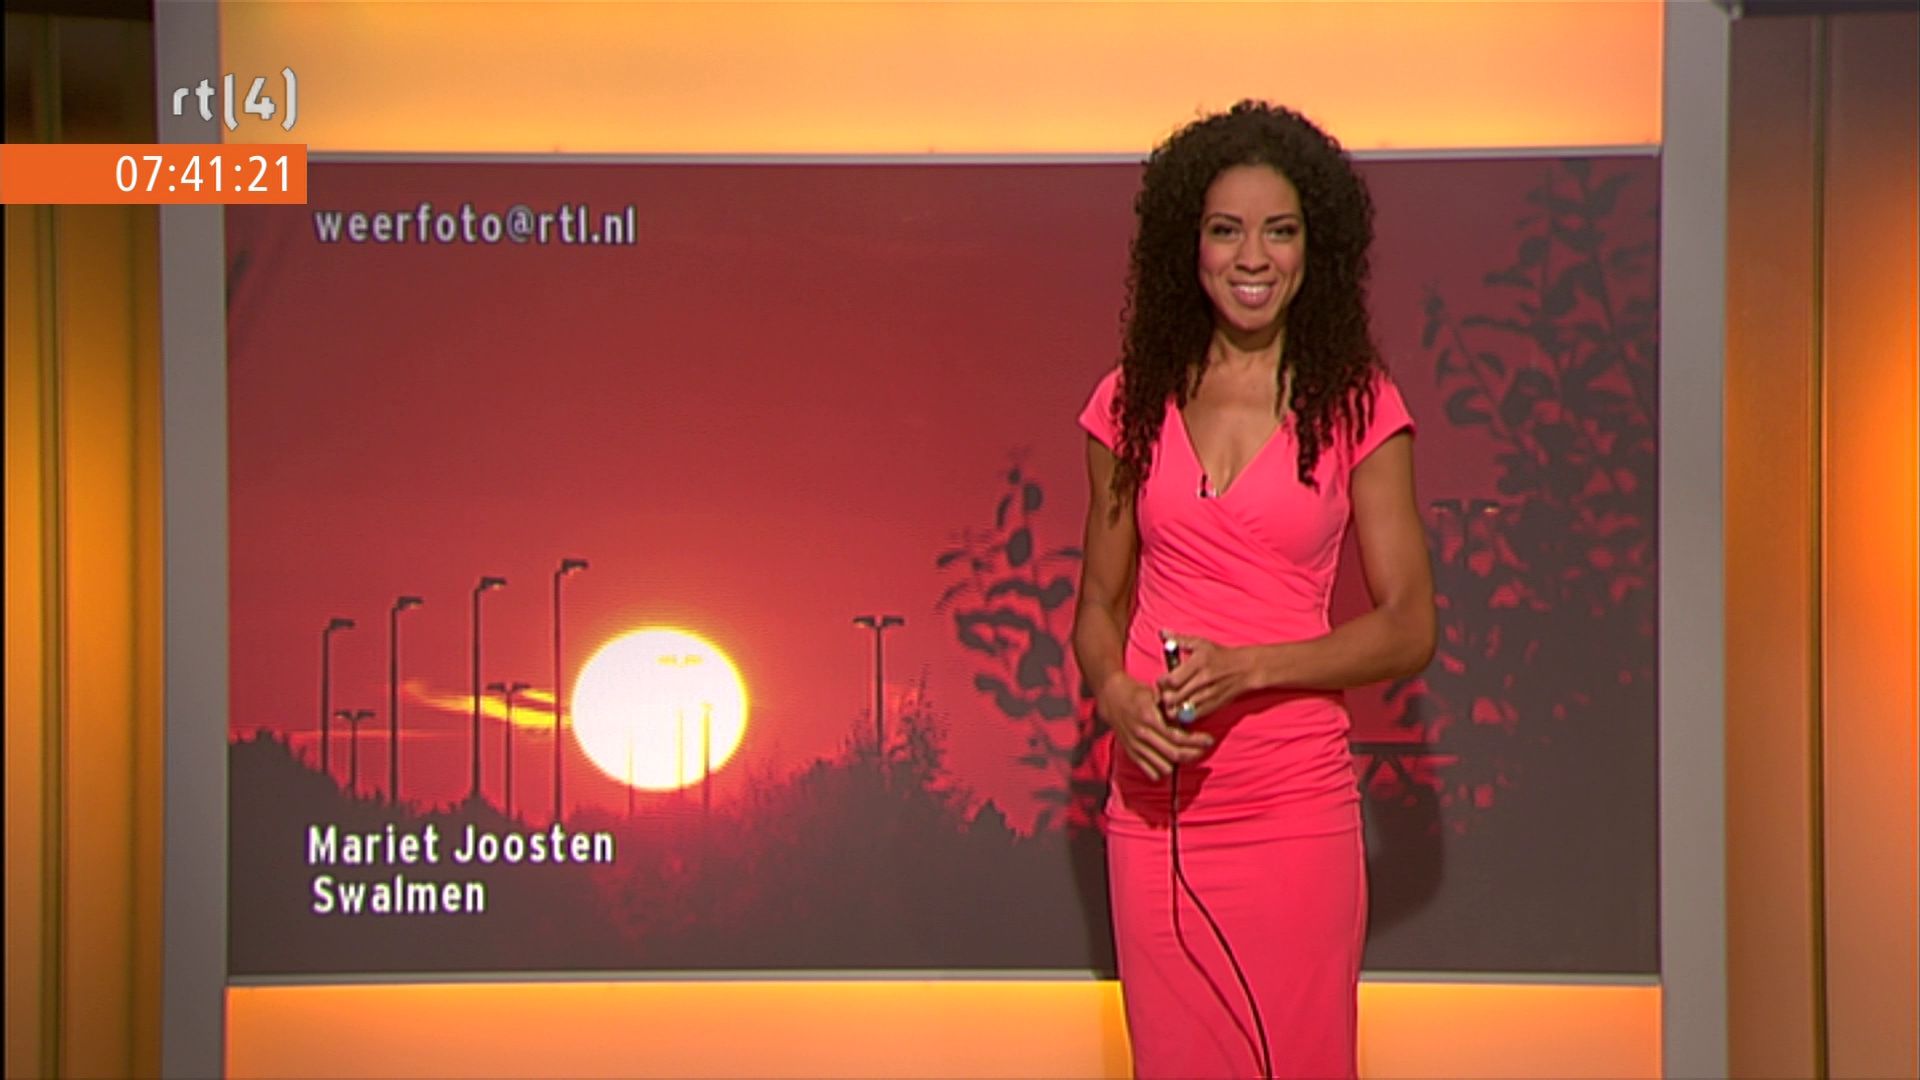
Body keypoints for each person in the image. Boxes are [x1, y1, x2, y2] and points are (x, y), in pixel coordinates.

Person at [1071, 100, 1436, 1079]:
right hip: (1156, 810)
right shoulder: (1128, 403)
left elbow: (1409, 627)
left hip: (1291, 806)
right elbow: (1097, 606)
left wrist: (1251, 670)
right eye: (1227, 230)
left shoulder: (1356, 405)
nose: (1253, 258)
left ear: (1316, 247)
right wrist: (1115, 695)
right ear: (1188, 246)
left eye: (1280, 231)